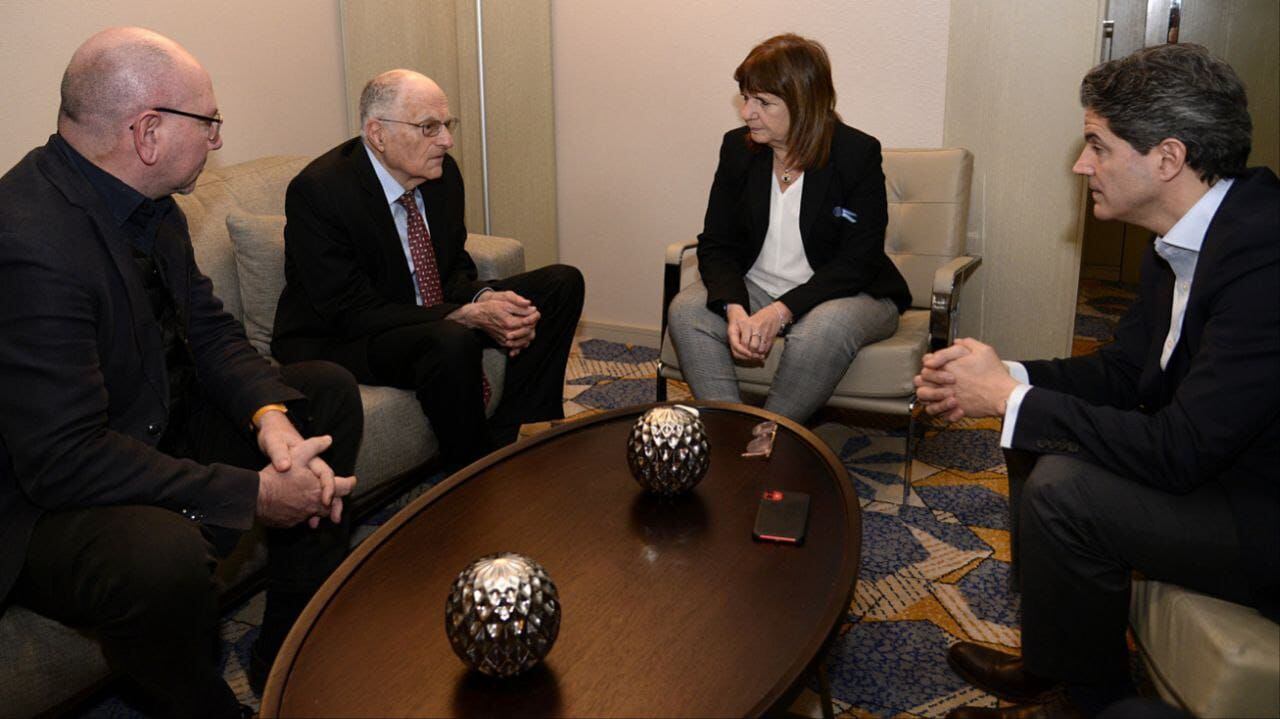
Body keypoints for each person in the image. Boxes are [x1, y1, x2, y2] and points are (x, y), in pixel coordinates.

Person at [0, 27, 363, 717]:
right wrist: (249, 494)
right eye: (210, 122)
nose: (218, 140)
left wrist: (272, 420)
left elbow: (211, 332)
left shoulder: (151, 206)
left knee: (323, 393)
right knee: (160, 555)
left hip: (148, 425)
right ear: (148, 132)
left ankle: (285, 642)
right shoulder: (26, 240)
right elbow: (62, 458)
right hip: (46, 498)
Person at [915, 43, 1279, 719]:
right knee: (1039, 425)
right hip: (1220, 466)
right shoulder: (1185, 236)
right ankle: (1056, 658)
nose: (1082, 165)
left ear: (1167, 158)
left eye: (1098, 146)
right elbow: (1121, 372)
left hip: (1261, 511)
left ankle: (1087, 702)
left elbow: (1181, 448)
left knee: (1063, 485)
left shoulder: (1265, 256)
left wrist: (1010, 399)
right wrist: (1007, 377)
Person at [272, 69, 583, 470]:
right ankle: (471, 472)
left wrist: (484, 298)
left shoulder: (442, 175)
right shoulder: (320, 191)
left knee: (561, 284)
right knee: (451, 338)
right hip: (345, 335)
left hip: (423, 313)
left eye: (447, 125)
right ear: (377, 133)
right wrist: (462, 314)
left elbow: (452, 269)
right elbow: (349, 309)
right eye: (429, 127)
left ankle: (514, 433)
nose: (447, 141)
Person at [666, 33, 910, 423]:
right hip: (758, 285)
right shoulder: (737, 149)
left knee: (821, 329)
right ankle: (730, 428)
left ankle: (769, 437)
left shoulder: (855, 154)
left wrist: (781, 311)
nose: (747, 112)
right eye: (745, 98)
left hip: (851, 293)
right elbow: (716, 244)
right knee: (686, 311)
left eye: (763, 102)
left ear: (804, 105)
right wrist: (734, 308)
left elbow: (858, 261)